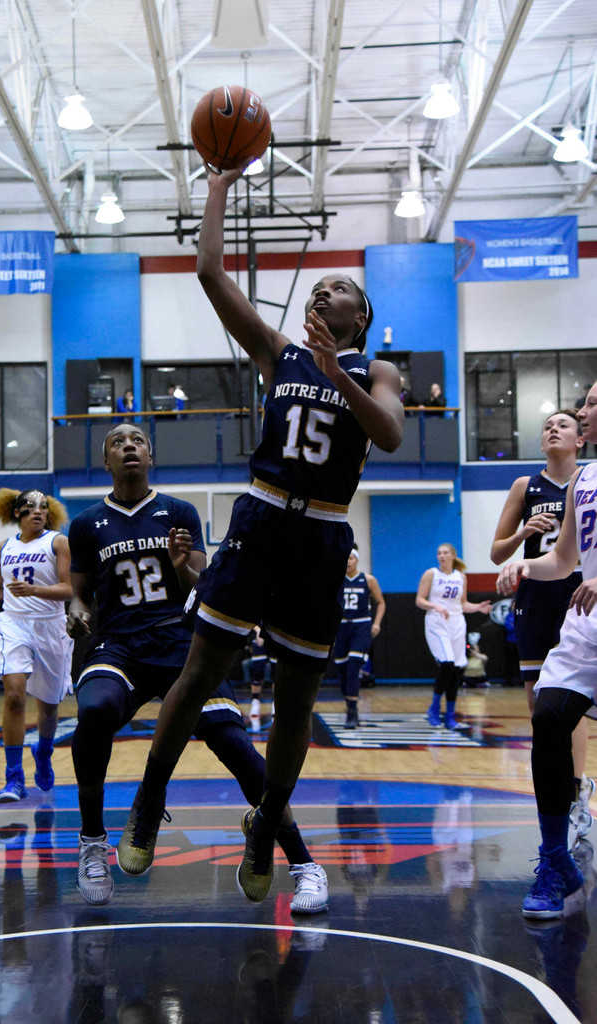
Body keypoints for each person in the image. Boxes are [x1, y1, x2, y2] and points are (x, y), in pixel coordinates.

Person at [116, 161, 404, 904]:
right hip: (261, 518)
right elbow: (211, 273)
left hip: (322, 538)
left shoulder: (378, 371)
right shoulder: (279, 353)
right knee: (201, 672)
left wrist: (339, 373)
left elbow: (392, 436)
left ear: (360, 316)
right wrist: (216, 184)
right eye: (316, 289)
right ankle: (149, 799)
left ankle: (266, 819)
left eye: (336, 288)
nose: (322, 292)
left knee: (299, 698)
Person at [66, 423, 327, 913]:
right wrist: (77, 614)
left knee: (234, 743)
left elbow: (202, 579)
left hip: (181, 644)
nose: (128, 447)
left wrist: (183, 563)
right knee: (95, 710)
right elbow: (80, 593)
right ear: (106, 462)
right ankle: (92, 843)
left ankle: (304, 864)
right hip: (119, 646)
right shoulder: (85, 524)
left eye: (137, 441)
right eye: (118, 442)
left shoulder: (178, 512)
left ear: (151, 455)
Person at [497, 381, 597, 918]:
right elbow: (563, 559)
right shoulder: (581, 481)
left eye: (593, 404)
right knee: (549, 716)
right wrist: (521, 564)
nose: (583, 411)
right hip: (584, 624)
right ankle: (555, 860)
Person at [0, 488, 73, 803]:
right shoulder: (4, 547)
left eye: (43, 507)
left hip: (50, 627)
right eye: (30, 507)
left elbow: (69, 590)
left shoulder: (58, 542)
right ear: (17, 513)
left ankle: (43, 752)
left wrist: (35, 590)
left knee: (49, 706)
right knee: (14, 695)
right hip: (13, 623)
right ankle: (13, 777)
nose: (37, 512)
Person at [415, 544, 492, 730]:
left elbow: (463, 604)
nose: (441, 556)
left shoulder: (461, 577)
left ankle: (450, 715)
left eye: (445, 553)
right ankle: (434, 708)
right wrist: (436, 606)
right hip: (437, 621)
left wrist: (477, 608)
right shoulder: (431, 574)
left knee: (456, 669)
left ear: (452, 555)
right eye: (439, 553)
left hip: (457, 623)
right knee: (447, 663)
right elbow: (419, 600)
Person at [332, 545, 385, 728]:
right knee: (343, 669)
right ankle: (349, 703)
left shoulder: (368, 580)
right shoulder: (337, 580)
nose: (348, 561)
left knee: (354, 665)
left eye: (351, 558)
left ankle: (352, 711)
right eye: (346, 558)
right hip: (341, 628)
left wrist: (376, 623)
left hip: (361, 626)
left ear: (357, 560)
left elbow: (381, 602)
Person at [242, 625, 273, 721]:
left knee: (276, 671)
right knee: (257, 670)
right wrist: (258, 629)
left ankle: (275, 703)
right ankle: (255, 701)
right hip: (260, 633)